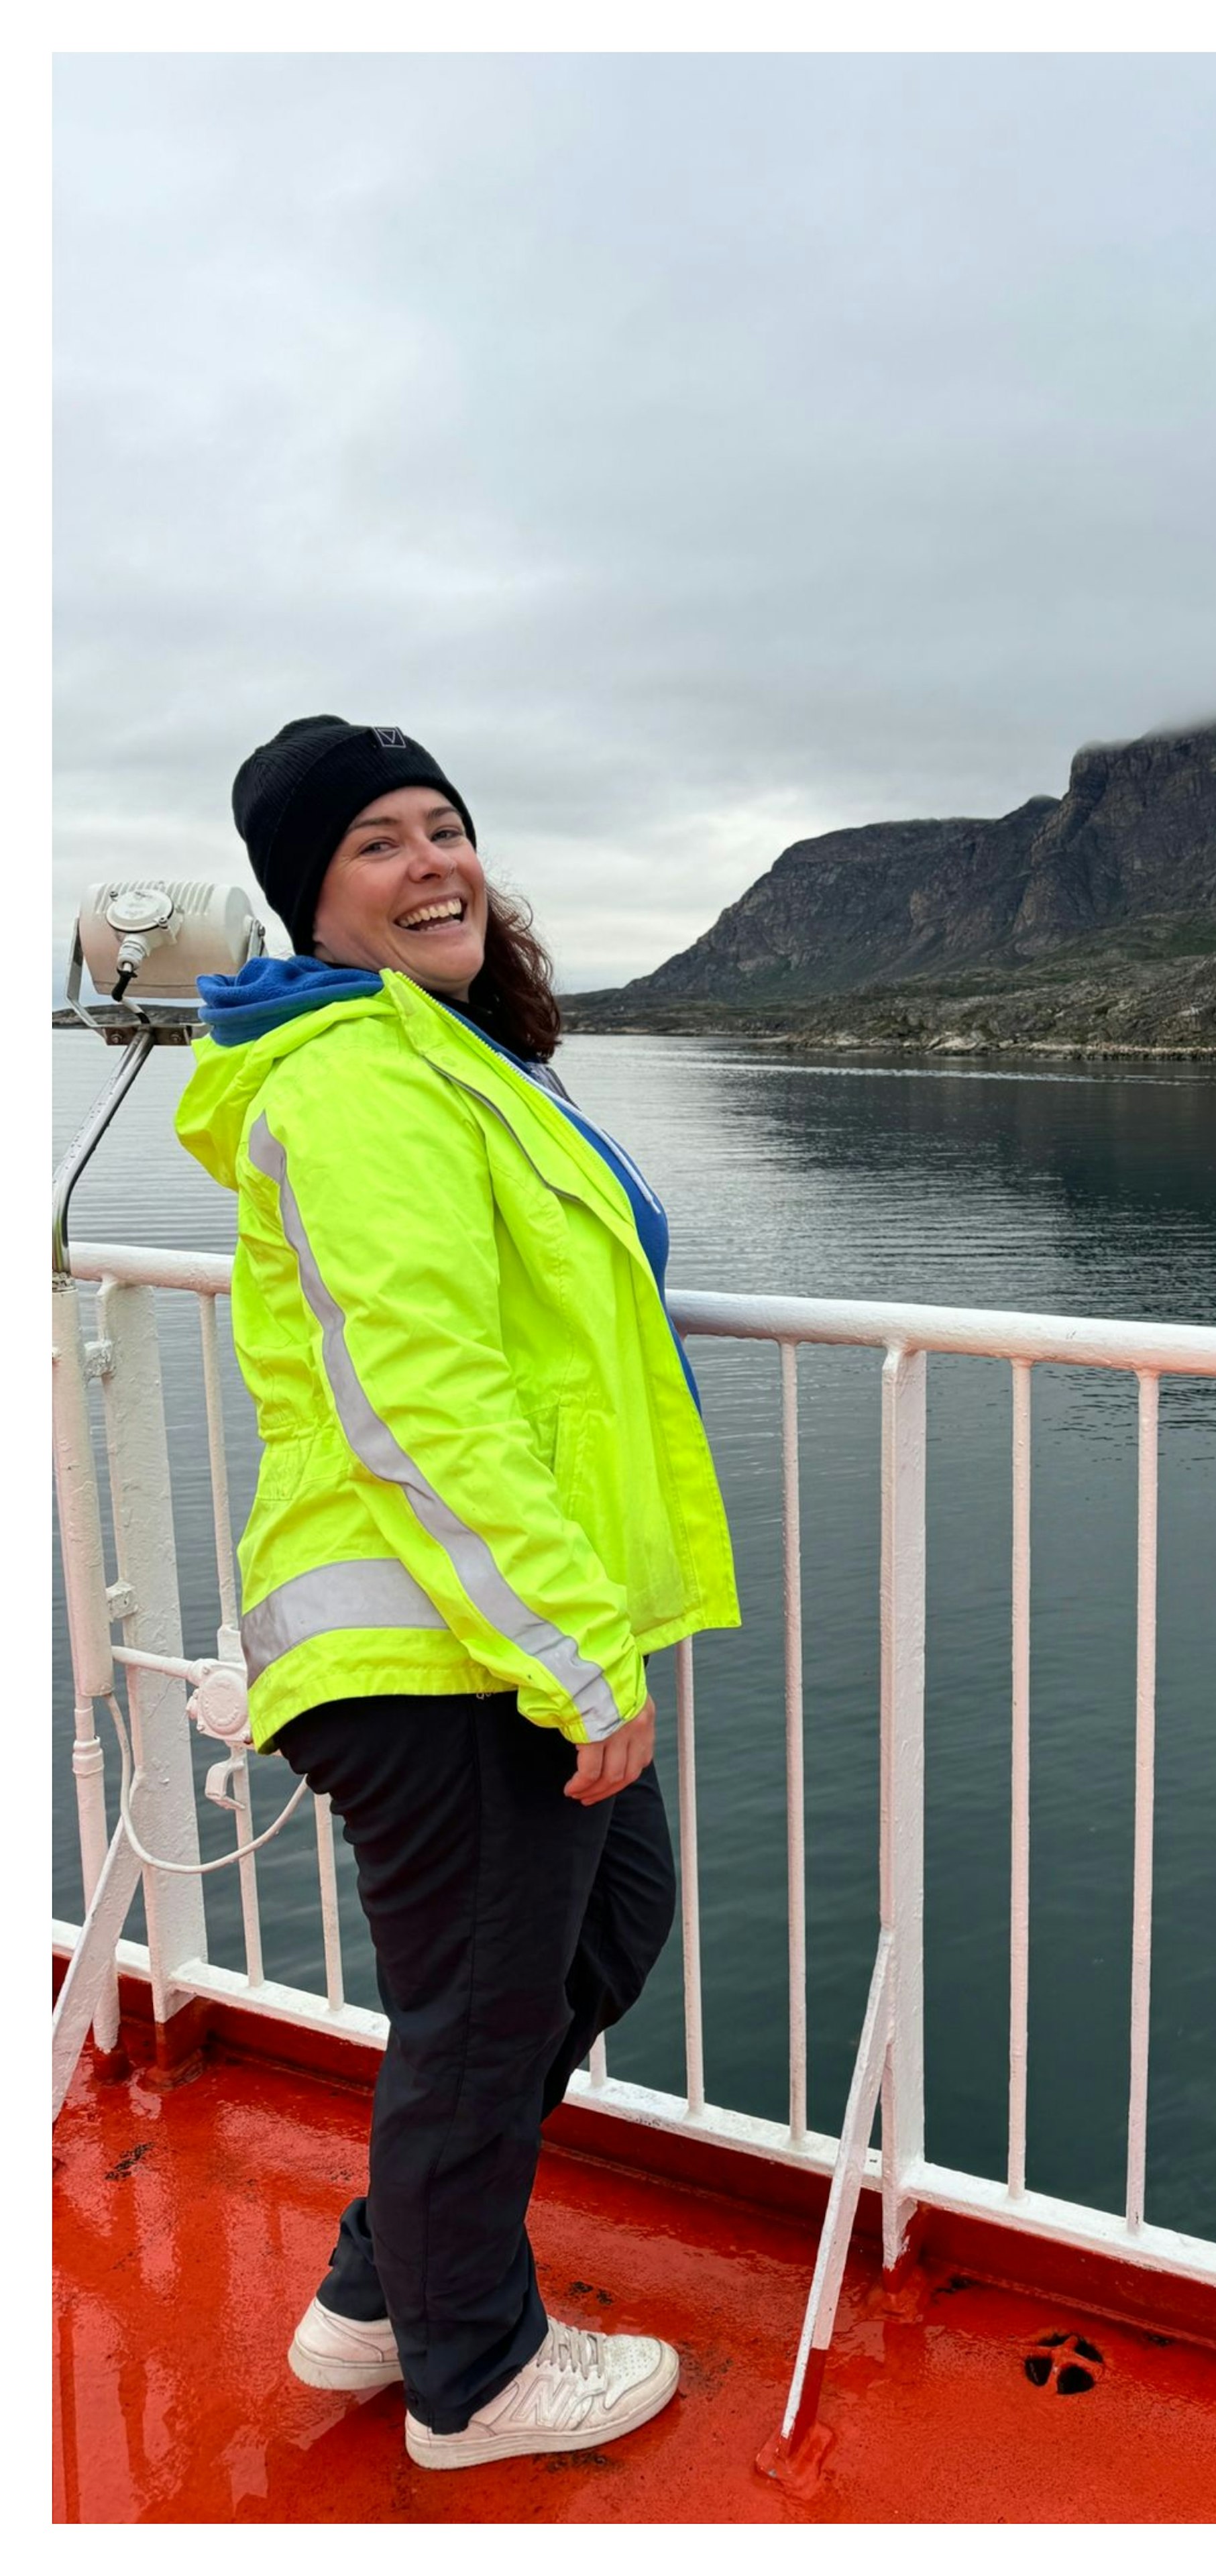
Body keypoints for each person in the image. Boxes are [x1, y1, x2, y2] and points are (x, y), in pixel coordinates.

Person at [176, 716, 740, 2470]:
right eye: (377, 844)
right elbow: (424, 1398)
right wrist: (576, 1657)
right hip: (436, 1646)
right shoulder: (356, 1087)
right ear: (309, 903)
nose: (434, 862)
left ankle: (370, 2298)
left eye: (448, 826)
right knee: (487, 2008)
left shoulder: (440, 1057)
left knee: (590, 1938)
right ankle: (475, 2379)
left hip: (483, 1632)